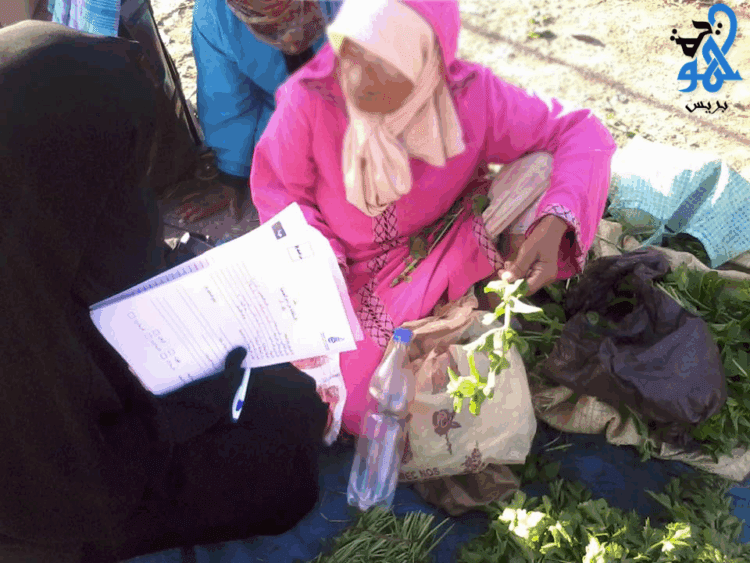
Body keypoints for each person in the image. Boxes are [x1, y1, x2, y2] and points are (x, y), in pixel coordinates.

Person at [0, 21, 327, 562]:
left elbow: (115, 273)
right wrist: (205, 399)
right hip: (55, 509)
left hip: (78, 434)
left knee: (275, 392)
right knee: (283, 442)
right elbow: (81, 483)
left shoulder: (30, 203)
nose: (133, 196)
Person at [250, 0, 617, 436]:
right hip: (349, 272)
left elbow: (579, 130)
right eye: (355, 53)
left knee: (545, 170)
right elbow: (281, 191)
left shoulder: (470, 97)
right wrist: (319, 259)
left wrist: (555, 223)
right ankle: (453, 323)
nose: (360, 78)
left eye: (387, 64)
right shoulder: (311, 99)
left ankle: (486, 302)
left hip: (454, 235)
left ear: (428, 63)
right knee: (354, 403)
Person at [188, 0, 341, 222]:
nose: (289, 37)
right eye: (271, 25)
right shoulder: (215, 14)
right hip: (283, 124)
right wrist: (232, 172)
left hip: (367, 106)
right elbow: (225, 97)